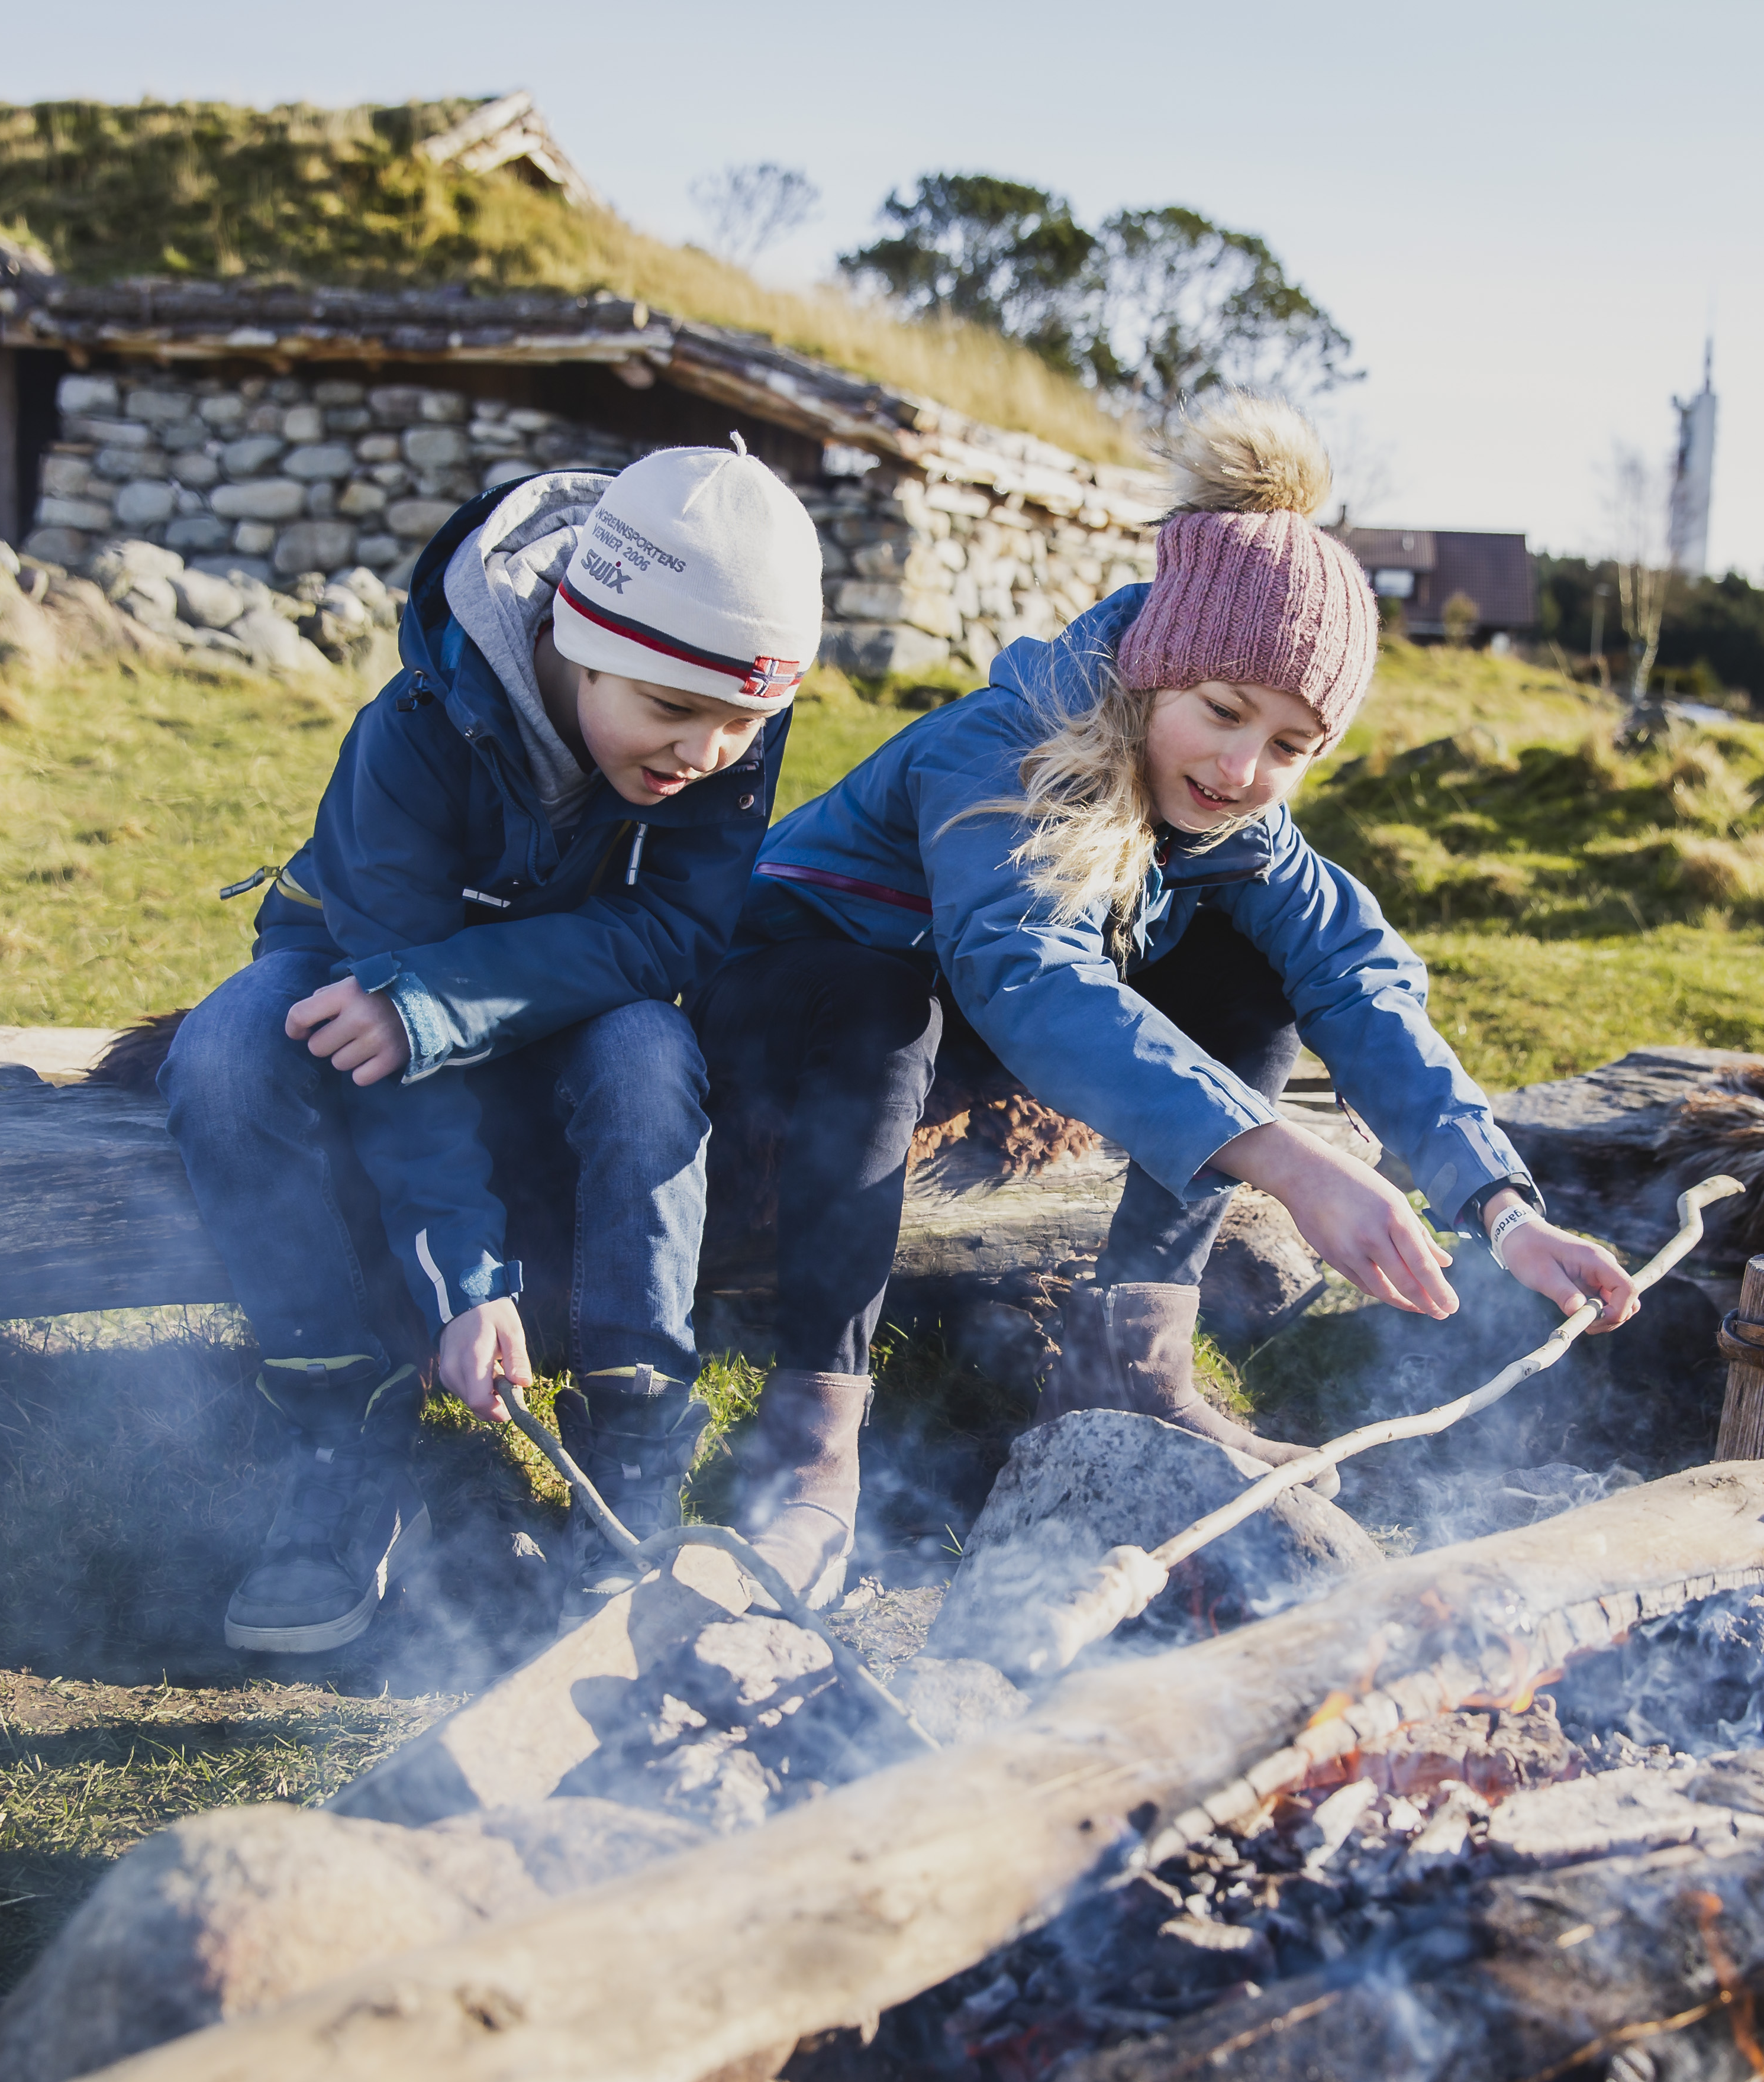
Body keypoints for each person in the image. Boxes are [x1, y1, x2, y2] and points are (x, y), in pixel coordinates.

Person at [698, 399, 1639, 1609]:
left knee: (1251, 971)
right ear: (1153, 673)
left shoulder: (1236, 823)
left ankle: (1127, 1361)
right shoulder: (1006, 751)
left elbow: (1358, 975)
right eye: (1224, 711)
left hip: (951, 1029)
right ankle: (809, 1447)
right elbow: (1024, 971)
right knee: (884, 1002)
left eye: (1291, 745)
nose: (1244, 769)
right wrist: (1289, 1163)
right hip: (779, 1024)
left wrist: (1504, 1209)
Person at [159, 441, 824, 1650]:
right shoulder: (414, 733)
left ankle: (628, 1462)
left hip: (558, 990)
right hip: (356, 956)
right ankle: (341, 1437)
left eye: (747, 724)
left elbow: (674, 930)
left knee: (647, 1060)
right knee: (224, 1052)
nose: (706, 757)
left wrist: (442, 1004)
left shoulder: (719, 728)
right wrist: (465, 1283)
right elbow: (384, 1016)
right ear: (578, 634)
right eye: (673, 711)